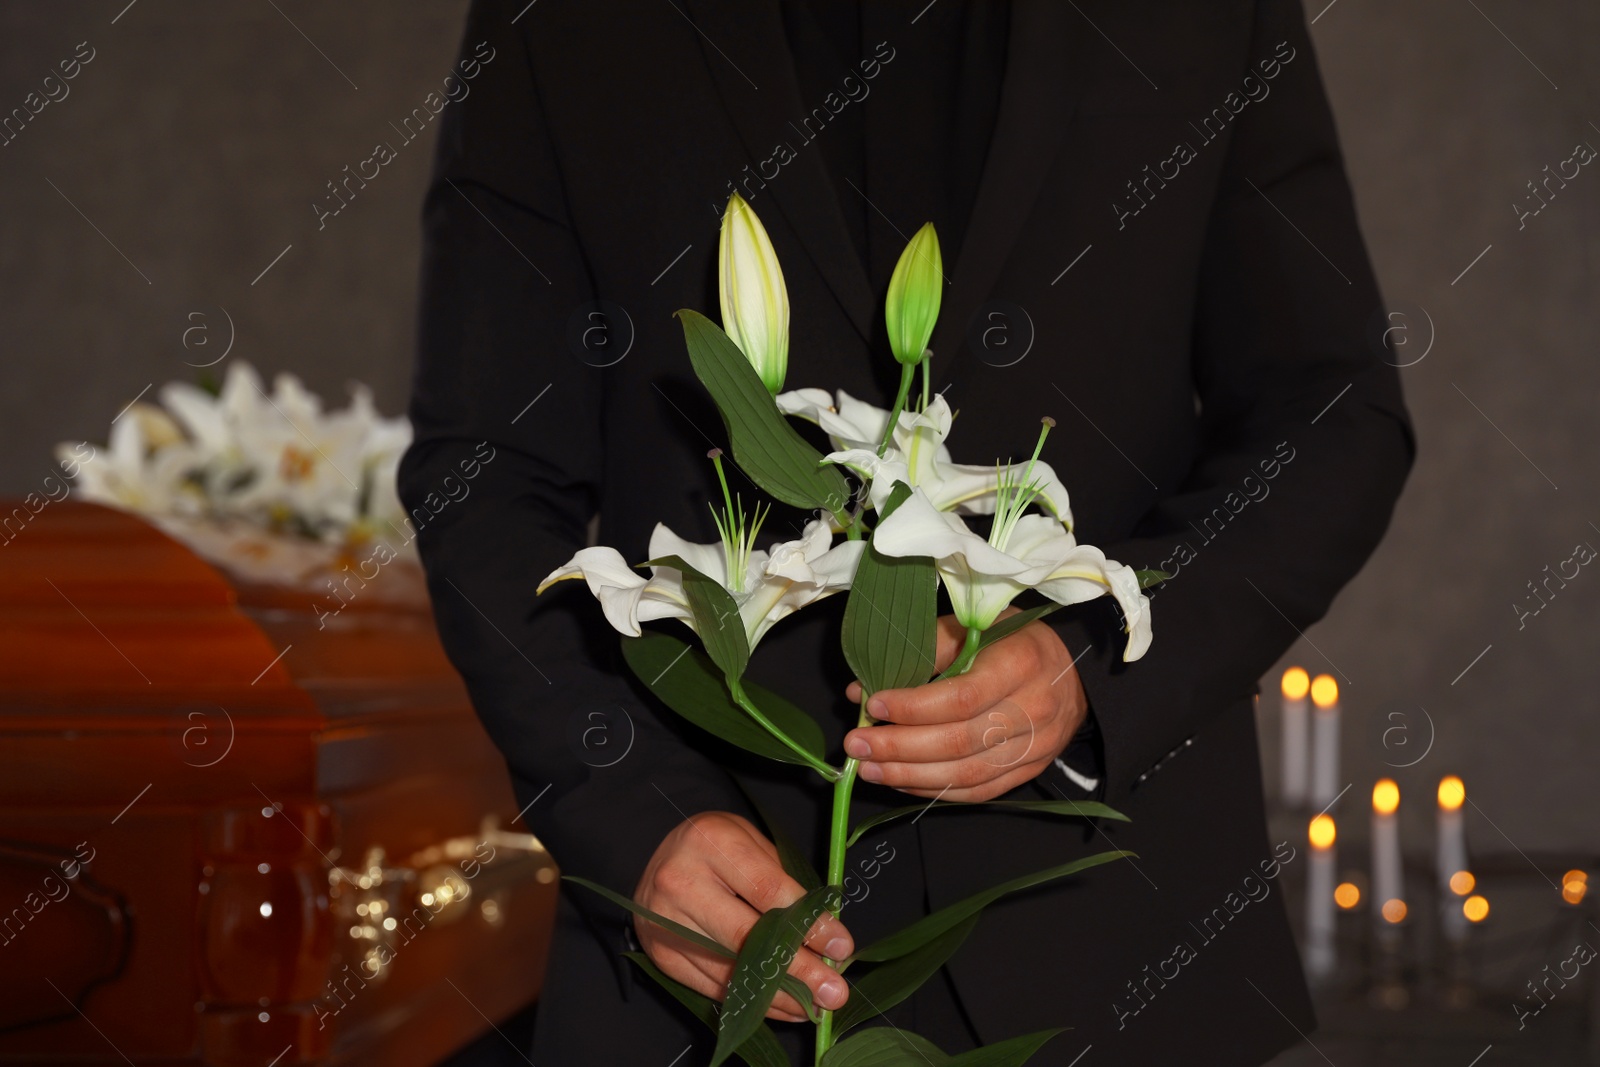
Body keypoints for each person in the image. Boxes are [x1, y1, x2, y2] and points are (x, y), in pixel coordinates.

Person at [400, 1, 1413, 1063]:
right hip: (702, 973)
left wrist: (1094, 658)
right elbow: (483, 475)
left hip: (1121, 965)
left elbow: (1334, 413)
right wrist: (635, 815)